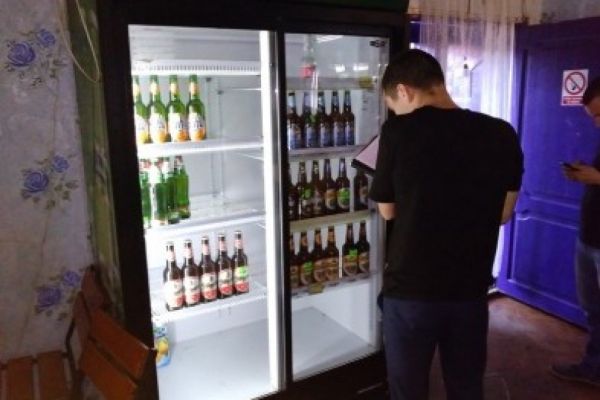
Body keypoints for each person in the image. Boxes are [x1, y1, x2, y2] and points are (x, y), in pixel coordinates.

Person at [369, 49, 524, 400]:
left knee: (408, 389)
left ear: (404, 91)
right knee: (466, 385)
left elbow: (388, 211)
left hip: (412, 289)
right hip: (470, 288)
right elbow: (504, 213)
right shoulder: (501, 132)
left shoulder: (397, 131)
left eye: (394, 105)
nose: (396, 113)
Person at [552, 77, 600, 387]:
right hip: (589, 237)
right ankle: (593, 367)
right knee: (593, 310)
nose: (596, 123)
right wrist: (585, 174)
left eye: (599, 114)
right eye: (593, 116)